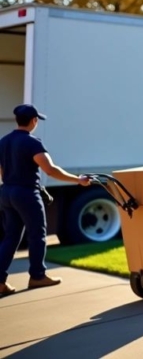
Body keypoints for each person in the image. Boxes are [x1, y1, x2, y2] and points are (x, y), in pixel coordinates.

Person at [1, 104, 90, 297]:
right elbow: (50, 169)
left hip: (7, 192)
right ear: (33, 121)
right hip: (26, 194)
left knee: (10, 237)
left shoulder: (3, 142)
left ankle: (0, 282)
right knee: (37, 234)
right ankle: (38, 276)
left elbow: (1, 172)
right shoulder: (33, 143)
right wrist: (78, 180)